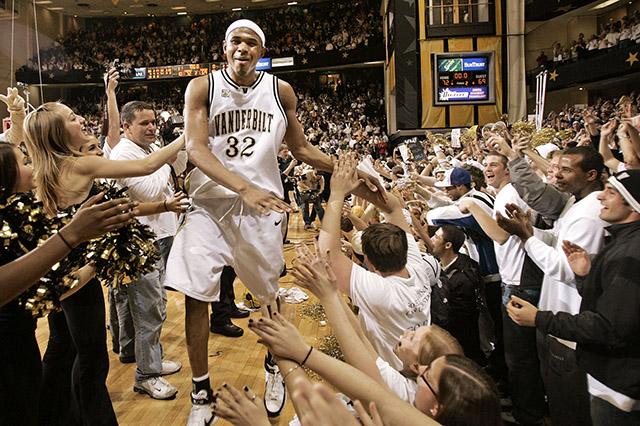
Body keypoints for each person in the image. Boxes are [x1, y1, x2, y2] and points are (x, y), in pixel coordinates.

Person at [163, 18, 383, 426]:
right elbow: (194, 148)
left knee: (269, 298)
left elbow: (300, 148)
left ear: (261, 52)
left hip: (261, 210)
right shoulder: (202, 87)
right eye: (235, 42)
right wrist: (243, 187)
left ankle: (274, 362)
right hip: (210, 205)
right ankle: (200, 390)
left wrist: (350, 170)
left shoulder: (280, 92)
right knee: (196, 292)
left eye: (251, 43)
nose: (242, 48)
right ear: (224, 48)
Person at [22, 101, 184, 425]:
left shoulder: (45, 167)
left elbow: (124, 208)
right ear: (59, 134)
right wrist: (190, 133)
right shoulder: (76, 166)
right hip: (77, 277)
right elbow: (147, 165)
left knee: (61, 349)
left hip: (57, 270)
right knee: (92, 359)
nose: (81, 118)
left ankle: (52, 415)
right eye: (71, 118)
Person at [0, 142, 138, 426]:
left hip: (21, 338)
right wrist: (74, 236)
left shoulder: (20, 213)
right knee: (85, 357)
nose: (33, 168)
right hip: (7, 347)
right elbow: (53, 281)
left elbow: (49, 278)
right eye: (25, 163)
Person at [507, 169, 640, 426]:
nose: (601, 197)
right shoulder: (623, 243)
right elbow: (611, 303)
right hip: (612, 378)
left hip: (619, 388)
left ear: (633, 204)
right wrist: (584, 276)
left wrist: (539, 318)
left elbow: (607, 327)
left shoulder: (630, 254)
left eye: (611, 192)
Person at [497, 146, 608, 426]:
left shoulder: (592, 210)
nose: (556, 175)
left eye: (567, 170)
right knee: (558, 399)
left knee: (569, 407)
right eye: (558, 168)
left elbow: (565, 268)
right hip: (557, 318)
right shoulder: (576, 202)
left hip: (570, 322)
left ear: (592, 175)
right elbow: (557, 243)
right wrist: (530, 230)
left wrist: (525, 238)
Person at [318, 152, 435, 370]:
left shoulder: (382, 291)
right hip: (418, 366)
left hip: (392, 378)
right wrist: (368, 184)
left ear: (369, 261)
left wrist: (337, 193)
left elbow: (327, 254)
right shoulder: (417, 268)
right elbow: (393, 207)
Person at [458, 148, 546, 426]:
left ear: (508, 169)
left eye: (494, 164)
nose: (487, 168)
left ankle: (527, 416)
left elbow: (500, 236)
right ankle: (522, 403)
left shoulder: (509, 194)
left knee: (520, 358)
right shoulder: (505, 193)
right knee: (516, 354)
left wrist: (471, 207)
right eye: (485, 164)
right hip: (517, 278)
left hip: (520, 281)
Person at [109, 100, 187, 400]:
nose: (152, 127)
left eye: (154, 122)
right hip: (140, 240)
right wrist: (165, 157)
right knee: (149, 308)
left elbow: (179, 167)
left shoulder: (152, 150)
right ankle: (147, 374)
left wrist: (174, 150)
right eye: (144, 123)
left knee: (142, 304)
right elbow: (153, 191)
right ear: (126, 127)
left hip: (159, 234)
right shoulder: (124, 152)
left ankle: (140, 357)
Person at [430, 225, 484, 364]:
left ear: (448, 245)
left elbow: (460, 322)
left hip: (460, 349)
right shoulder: (441, 264)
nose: (431, 240)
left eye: (436, 237)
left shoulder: (464, 277)